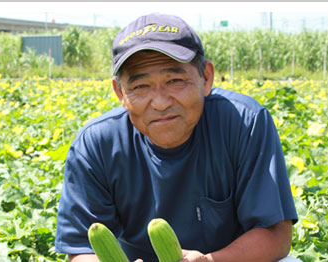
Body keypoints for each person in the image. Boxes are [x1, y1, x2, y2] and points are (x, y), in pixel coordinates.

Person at [55, 13, 299, 262]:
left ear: (205, 78)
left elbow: (276, 234)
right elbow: (81, 249)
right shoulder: (97, 144)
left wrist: (210, 261)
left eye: (175, 80)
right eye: (140, 87)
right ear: (120, 92)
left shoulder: (244, 122)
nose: (160, 103)